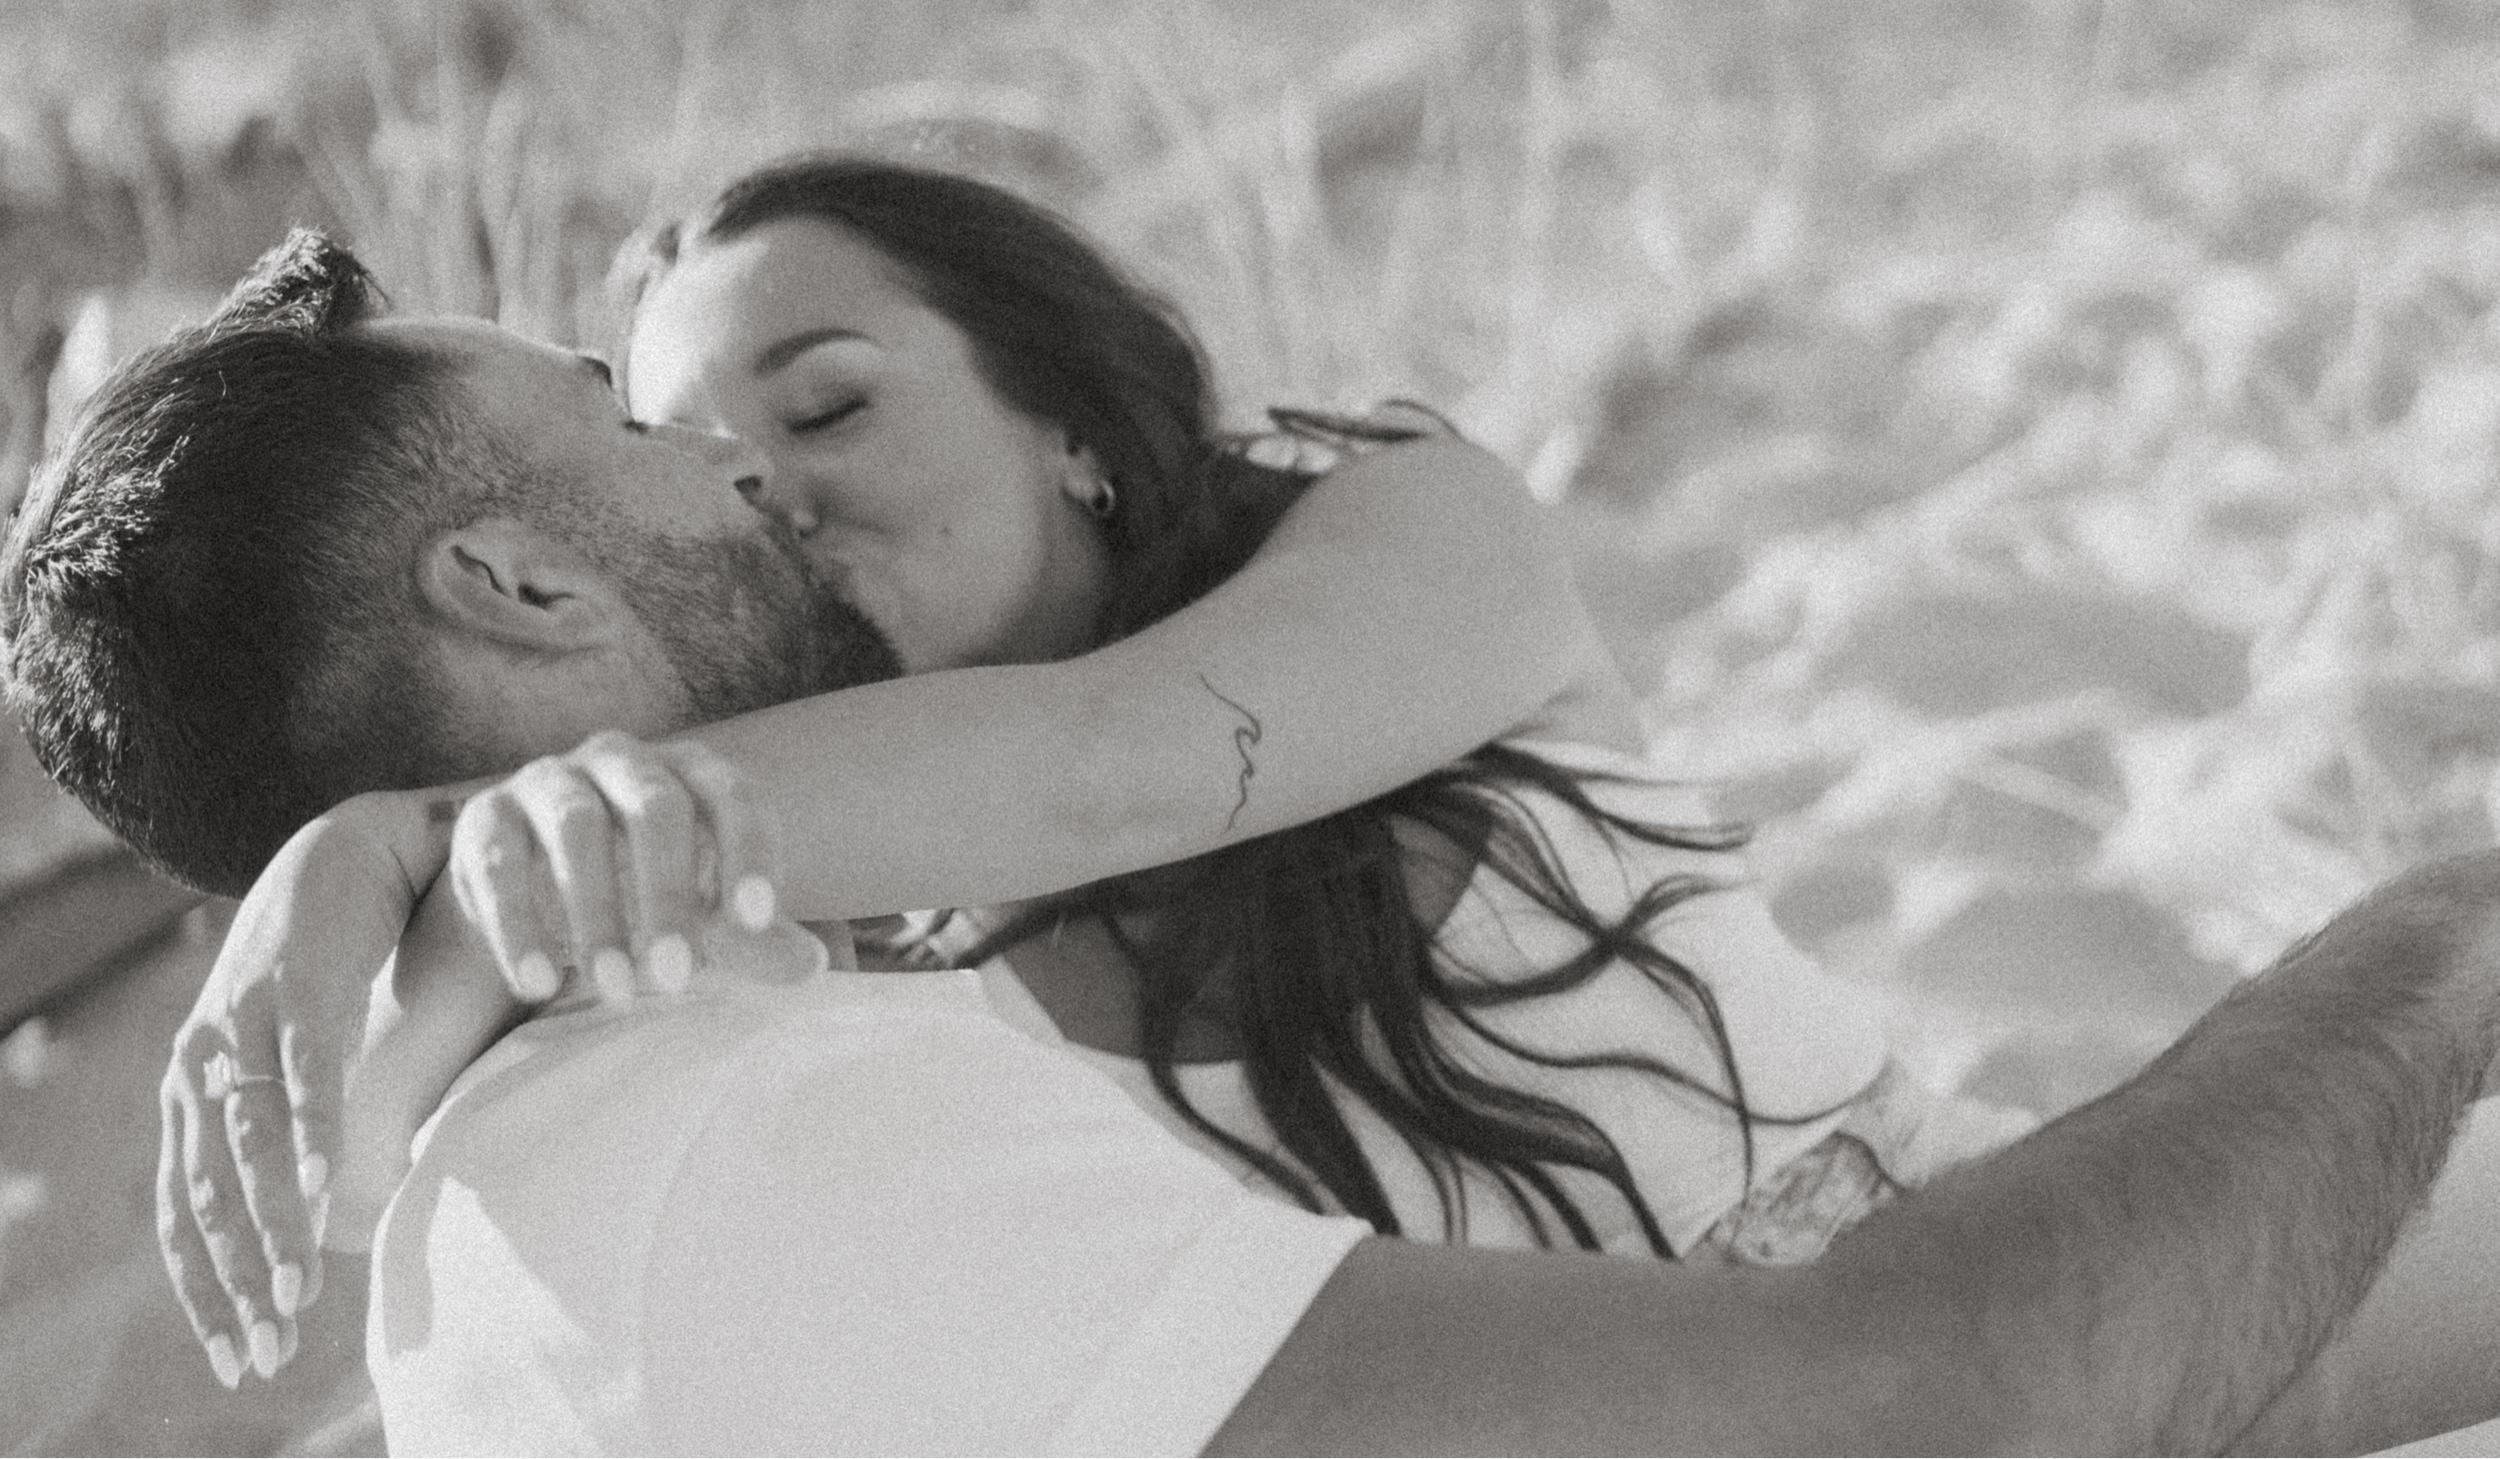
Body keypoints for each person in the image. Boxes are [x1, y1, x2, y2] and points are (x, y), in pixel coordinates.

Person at [5, 220, 2498, 1451]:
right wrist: (391, 878)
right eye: (642, 423)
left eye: (819, 399)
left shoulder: (1373, 541)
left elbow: (1111, 756)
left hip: (2100, 1275)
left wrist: (393, 857)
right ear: (526, 587)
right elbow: (1914, 1391)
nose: (746, 473)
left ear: (1063, 413)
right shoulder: (827, 1029)